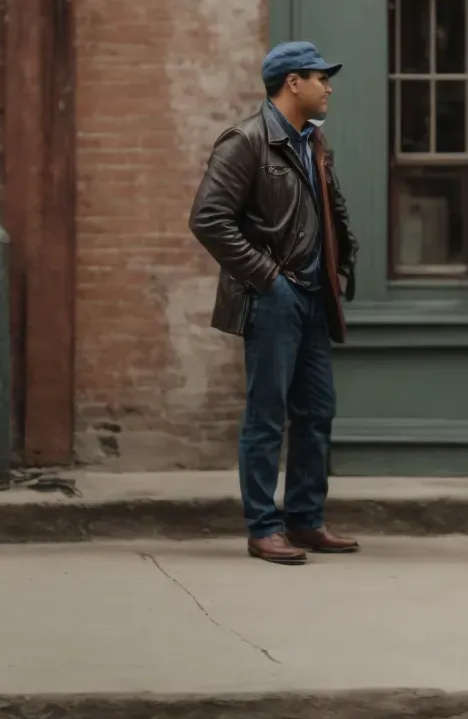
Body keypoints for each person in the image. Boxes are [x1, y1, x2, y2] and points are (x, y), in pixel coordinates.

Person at [189, 41, 359, 565]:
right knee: (267, 413)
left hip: (313, 296)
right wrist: (268, 278)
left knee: (317, 411)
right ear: (292, 83)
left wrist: (341, 265)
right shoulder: (246, 141)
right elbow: (208, 219)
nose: (329, 88)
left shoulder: (313, 141)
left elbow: (330, 212)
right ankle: (263, 527)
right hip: (275, 298)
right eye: (320, 78)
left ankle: (305, 519)